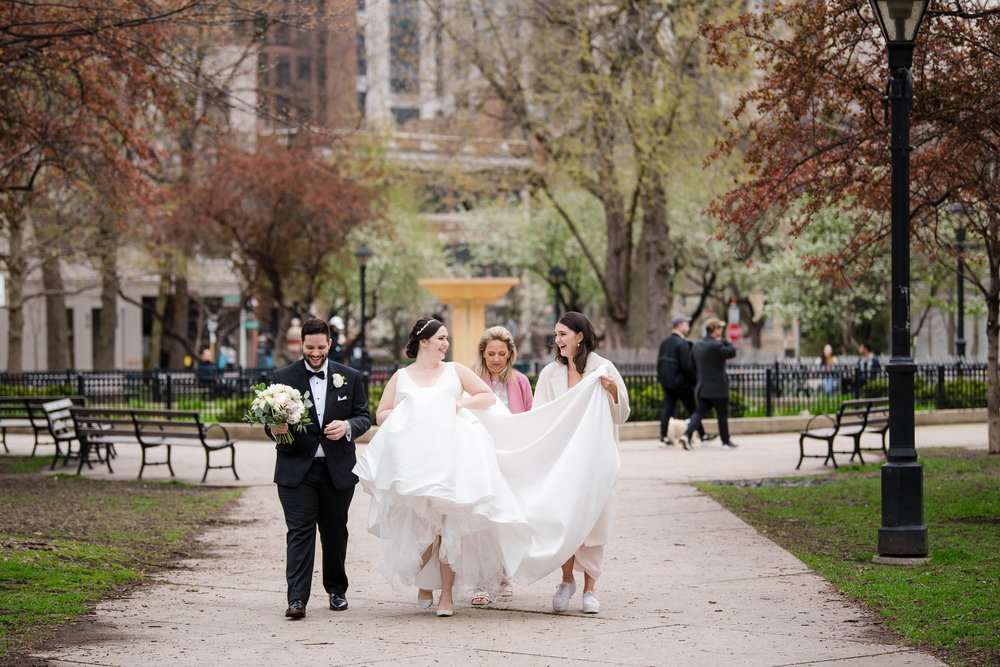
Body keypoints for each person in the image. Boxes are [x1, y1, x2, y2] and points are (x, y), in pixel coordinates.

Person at [354, 318, 527, 617]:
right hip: (416, 462)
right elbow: (382, 414)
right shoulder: (401, 377)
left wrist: (461, 405)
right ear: (424, 341)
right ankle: (425, 582)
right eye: (440, 338)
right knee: (425, 529)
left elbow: (485, 395)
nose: (445, 344)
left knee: (449, 528)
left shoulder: (455, 371)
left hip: (452, 460)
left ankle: (446, 595)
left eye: (447, 338)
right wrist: (410, 413)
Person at [266, 317, 371, 620]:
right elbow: (269, 423)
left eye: (321, 347)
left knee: (335, 533)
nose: (315, 353)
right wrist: (276, 427)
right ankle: (297, 599)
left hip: (337, 471)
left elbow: (364, 416)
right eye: (309, 347)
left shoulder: (349, 377)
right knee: (300, 533)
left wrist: (348, 425)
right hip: (296, 469)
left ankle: (337, 591)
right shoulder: (282, 377)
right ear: (301, 345)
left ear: (329, 344)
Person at [532, 311, 630, 615]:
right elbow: (540, 414)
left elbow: (622, 413)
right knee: (565, 520)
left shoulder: (603, 368)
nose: (558, 340)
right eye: (556, 334)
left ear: (580, 336)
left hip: (595, 460)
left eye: (563, 334)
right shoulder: (550, 374)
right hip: (563, 460)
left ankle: (591, 588)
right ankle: (566, 580)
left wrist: (612, 391)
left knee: (595, 522)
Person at [468, 325, 532, 606]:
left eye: (501, 354)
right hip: (480, 458)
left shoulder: (520, 382)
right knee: (482, 520)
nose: (496, 359)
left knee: (506, 518)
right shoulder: (471, 380)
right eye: (491, 353)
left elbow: (529, 419)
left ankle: (504, 575)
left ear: (510, 355)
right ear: (483, 354)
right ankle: (481, 582)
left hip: (510, 459)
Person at [679, 318, 738, 450]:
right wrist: (723, 340)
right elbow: (732, 351)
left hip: (702, 387)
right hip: (719, 387)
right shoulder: (718, 345)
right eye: (720, 328)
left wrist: (700, 377)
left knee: (698, 413)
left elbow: (691, 365)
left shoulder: (697, 345)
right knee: (722, 415)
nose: (721, 331)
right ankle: (726, 442)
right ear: (714, 330)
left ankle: (687, 435)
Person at [656, 315, 711, 449]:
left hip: (666, 382)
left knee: (668, 408)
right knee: (693, 409)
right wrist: (694, 380)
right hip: (681, 383)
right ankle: (702, 435)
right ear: (679, 325)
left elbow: (660, 362)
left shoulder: (665, 342)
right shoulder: (682, 343)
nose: (688, 327)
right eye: (686, 324)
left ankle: (664, 436)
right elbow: (687, 365)